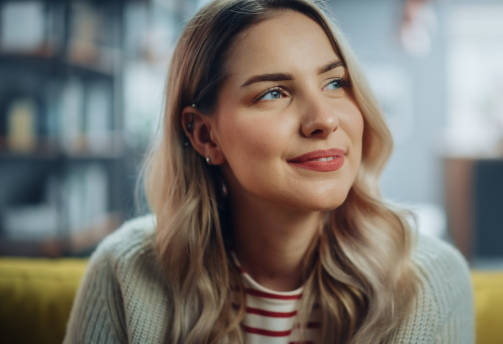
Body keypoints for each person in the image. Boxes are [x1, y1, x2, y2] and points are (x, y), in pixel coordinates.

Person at [63, 0, 474, 343]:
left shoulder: (428, 281)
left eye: (335, 83)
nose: (324, 119)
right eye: (274, 93)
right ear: (205, 135)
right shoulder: (123, 273)